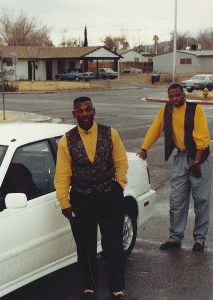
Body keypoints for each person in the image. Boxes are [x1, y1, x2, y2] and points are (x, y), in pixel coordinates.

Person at [54, 96, 129, 300]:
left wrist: (119, 185)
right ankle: (89, 287)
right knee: (85, 247)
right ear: (74, 114)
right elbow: (62, 174)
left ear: (94, 111)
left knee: (113, 245)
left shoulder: (110, 133)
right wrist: (64, 202)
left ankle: (117, 288)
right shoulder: (66, 140)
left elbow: (121, 161)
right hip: (82, 199)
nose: (85, 114)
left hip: (109, 197)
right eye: (80, 111)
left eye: (88, 110)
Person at [137, 83, 212, 252]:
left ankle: (200, 239)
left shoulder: (195, 109)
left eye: (177, 95)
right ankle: (175, 237)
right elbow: (156, 128)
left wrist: (196, 163)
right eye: (171, 96)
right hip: (181, 157)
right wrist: (144, 148)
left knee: (201, 200)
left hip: (200, 157)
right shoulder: (167, 110)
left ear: (183, 94)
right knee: (177, 200)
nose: (174, 99)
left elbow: (202, 138)